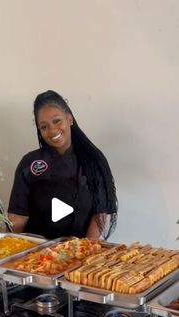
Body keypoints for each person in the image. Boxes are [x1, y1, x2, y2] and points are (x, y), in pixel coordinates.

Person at [8, 90, 118, 240]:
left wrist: (87, 249)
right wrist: (12, 248)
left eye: (57, 121)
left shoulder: (93, 160)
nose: (52, 130)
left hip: (80, 250)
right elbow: (18, 216)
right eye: (44, 126)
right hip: (37, 252)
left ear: (69, 119)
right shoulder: (29, 163)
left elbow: (100, 212)